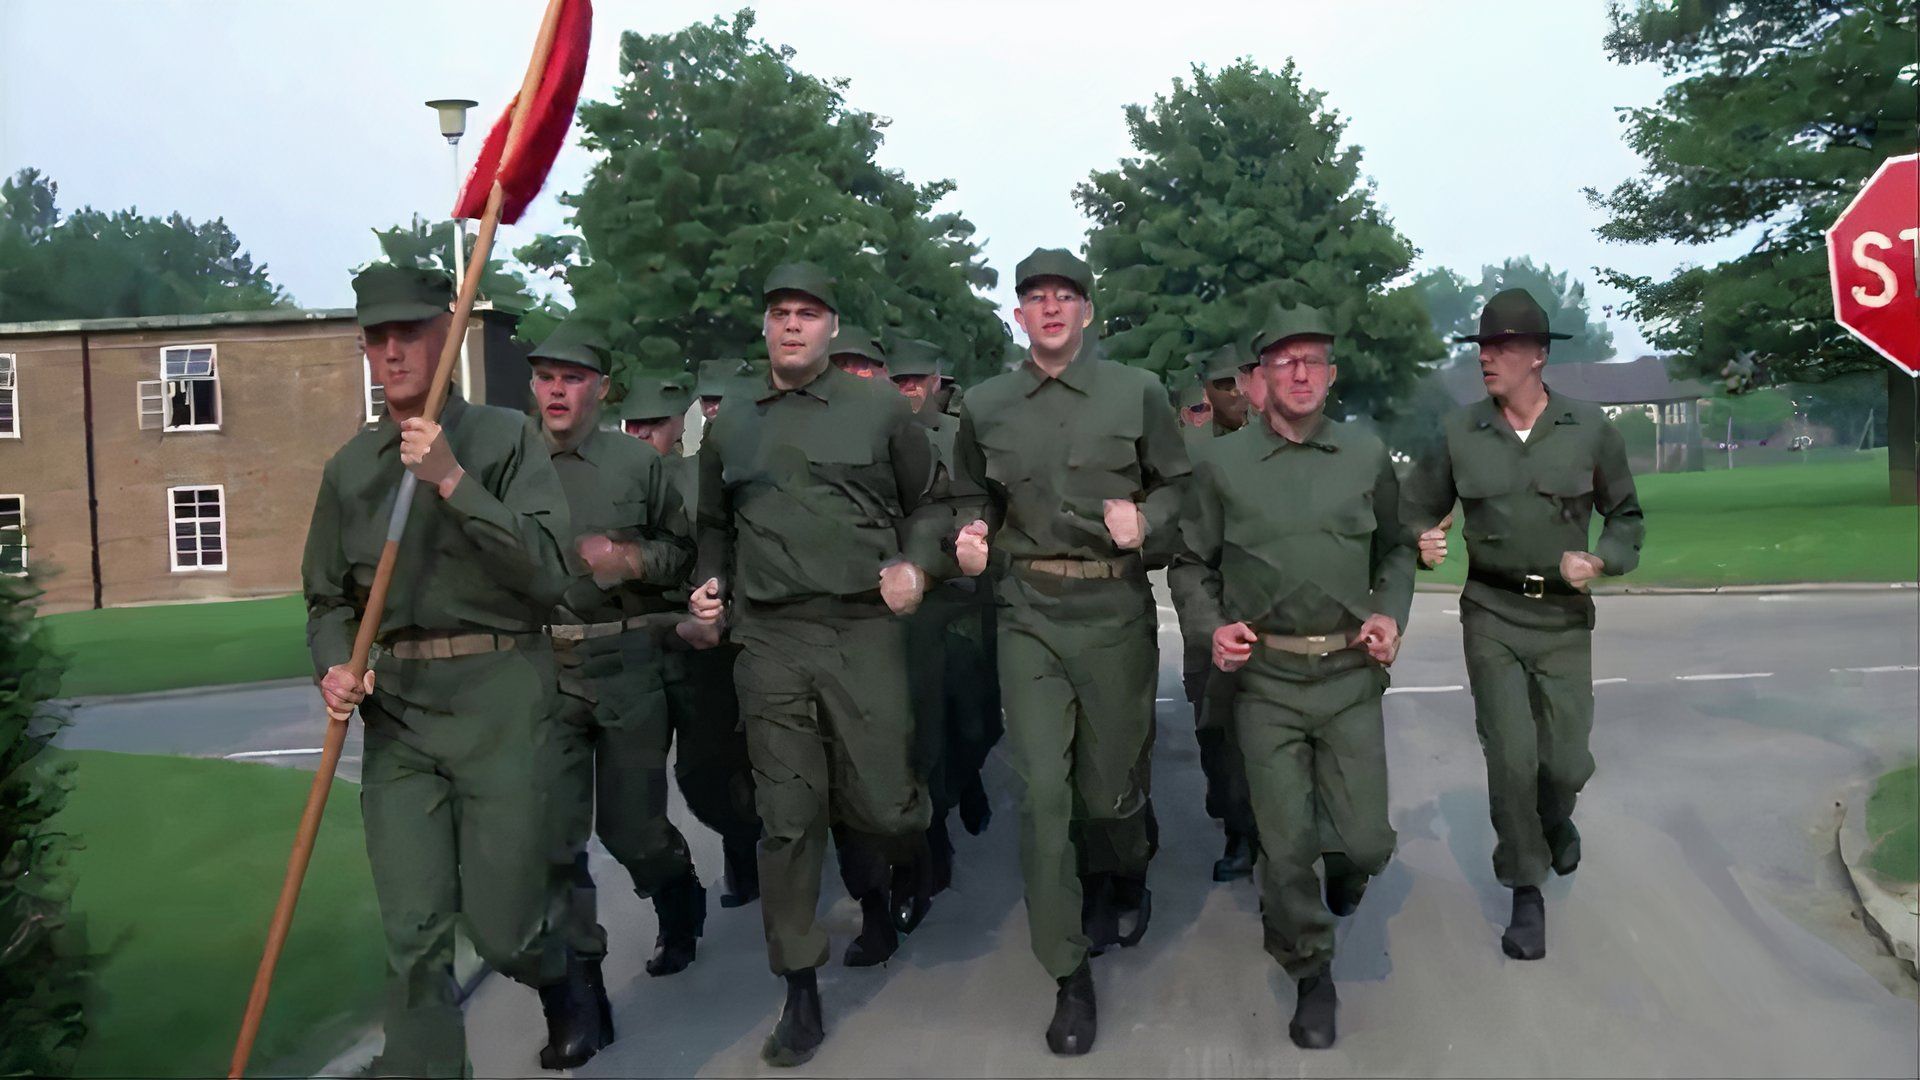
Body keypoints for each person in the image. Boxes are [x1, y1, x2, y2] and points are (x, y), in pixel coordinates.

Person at [302, 264, 573, 1077]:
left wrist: (452, 481)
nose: (392, 353)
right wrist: (334, 668)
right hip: (403, 718)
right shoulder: (351, 469)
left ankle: (565, 965)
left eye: (409, 335)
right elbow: (326, 602)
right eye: (377, 340)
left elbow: (552, 571)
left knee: (503, 931)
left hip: (502, 698)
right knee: (414, 937)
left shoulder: (503, 439)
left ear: (445, 336)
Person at [687, 261, 953, 1067]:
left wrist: (918, 564)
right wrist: (711, 585)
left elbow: (933, 502)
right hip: (769, 639)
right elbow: (711, 526)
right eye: (779, 313)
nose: (792, 325)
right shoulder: (733, 422)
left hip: (862, 630)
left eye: (807, 312)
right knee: (788, 818)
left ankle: (901, 863)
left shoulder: (877, 409)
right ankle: (800, 990)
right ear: (765, 327)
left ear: (833, 327)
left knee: (886, 805)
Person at [950, 247, 1190, 1055]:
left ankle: (1125, 869)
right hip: (1029, 614)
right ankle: (1068, 973)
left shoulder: (1138, 393)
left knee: (1109, 793)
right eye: (1034, 298)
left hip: (1114, 609)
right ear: (1018, 315)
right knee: (1044, 795)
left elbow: (1182, 489)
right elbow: (966, 494)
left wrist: (1147, 524)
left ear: (1088, 311)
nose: (1050, 309)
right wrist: (969, 536)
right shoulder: (986, 407)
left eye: (1065, 297)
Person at [1173, 301, 1415, 1049]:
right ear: (1259, 380)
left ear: (1332, 374)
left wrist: (1390, 613)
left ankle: (1348, 872)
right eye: (1285, 362)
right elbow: (1190, 565)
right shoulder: (1221, 464)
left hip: (1348, 673)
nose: (1301, 373)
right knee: (1284, 848)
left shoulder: (1366, 457)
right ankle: (1311, 971)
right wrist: (1213, 630)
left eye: (1313, 359)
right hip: (1268, 681)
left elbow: (1399, 549)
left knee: (1367, 843)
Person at [1402, 287, 1644, 961]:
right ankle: (1525, 891)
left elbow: (1627, 515)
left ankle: (1556, 816)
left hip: (1564, 619)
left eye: (1504, 347)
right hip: (1491, 614)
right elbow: (1412, 511)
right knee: (1511, 757)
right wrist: (1420, 538)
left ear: (1538, 356)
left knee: (1565, 761)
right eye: (1484, 347)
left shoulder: (1590, 429)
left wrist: (1601, 559)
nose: (1489, 358)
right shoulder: (1459, 433)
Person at [528, 320, 707, 1071]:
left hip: (628, 661)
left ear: (601, 388)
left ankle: (678, 896)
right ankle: (581, 994)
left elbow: (684, 553)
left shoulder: (639, 464)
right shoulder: (509, 464)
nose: (557, 390)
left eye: (572, 378)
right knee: (551, 841)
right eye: (545, 377)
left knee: (631, 831)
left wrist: (631, 558)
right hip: (541, 671)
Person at [620, 376, 764, 908]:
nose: (640, 435)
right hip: (634, 648)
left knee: (709, 772)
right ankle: (676, 908)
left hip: (700, 644)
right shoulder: (610, 481)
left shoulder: (698, 477)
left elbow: (723, 544)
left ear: (677, 426)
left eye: (652, 424)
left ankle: (744, 847)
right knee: (636, 796)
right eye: (632, 424)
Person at [886, 337, 1002, 925]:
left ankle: (965, 783)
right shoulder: (872, 433)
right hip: (895, 611)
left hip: (961, 599)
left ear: (936, 380)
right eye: (896, 378)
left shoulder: (958, 434)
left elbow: (980, 503)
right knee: (913, 737)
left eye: (915, 379)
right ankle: (927, 845)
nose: (906, 389)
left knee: (977, 721)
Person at [1169, 343, 1261, 883]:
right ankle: (1234, 822)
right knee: (1214, 725)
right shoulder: (1189, 448)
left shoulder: (1270, 441)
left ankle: (1255, 833)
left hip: (1264, 603)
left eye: (1239, 382)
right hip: (1208, 601)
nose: (1234, 394)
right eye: (1222, 385)